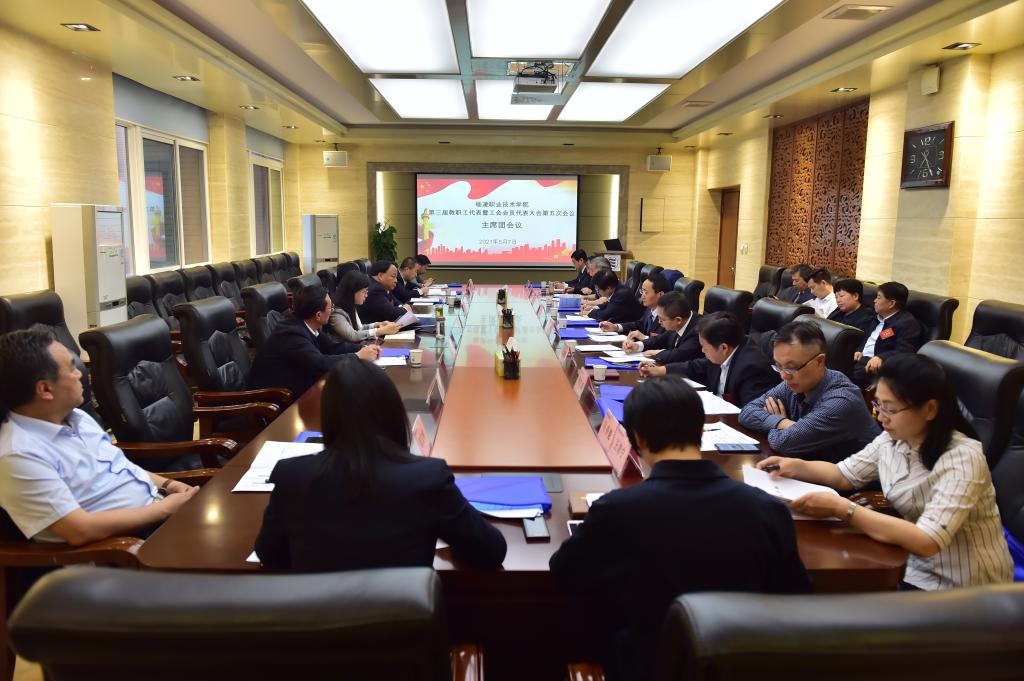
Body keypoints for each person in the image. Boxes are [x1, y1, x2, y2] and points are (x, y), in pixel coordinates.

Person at [550, 376, 810, 681]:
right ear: (700, 431)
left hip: (647, 667)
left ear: (638, 438)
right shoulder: (767, 509)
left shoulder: (618, 509)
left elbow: (565, 572)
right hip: (738, 667)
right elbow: (794, 597)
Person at [758, 353, 1012, 590]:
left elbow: (928, 540)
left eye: (890, 408)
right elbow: (843, 474)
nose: (881, 417)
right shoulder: (894, 438)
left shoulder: (963, 457)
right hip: (907, 564)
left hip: (963, 587)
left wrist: (844, 509)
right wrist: (795, 466)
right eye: (878, 405)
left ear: (930, 409)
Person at [255, 359, 507, 572]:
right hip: (405, 614)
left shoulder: (292, 476)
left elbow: (270, 554)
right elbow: (490, 551)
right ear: (393, 411)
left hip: (317, 615)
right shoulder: (428, 477)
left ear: (328, 418)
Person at [0, 329, 199, 545]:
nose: (80, 374)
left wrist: (170, 485)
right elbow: (80, 530)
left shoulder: (76, 417)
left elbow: (121, 467)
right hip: (125, 547)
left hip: (158, 515)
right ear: (45, 389)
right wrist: (165, 509)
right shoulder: (19, 454)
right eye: (71, 368)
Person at [739, 320, 880, 460]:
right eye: (779, 366)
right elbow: (747, 412)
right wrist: (783, 422)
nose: (783, 376)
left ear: (819, 361)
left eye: (791, 367)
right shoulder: (793, 383)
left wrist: (776, 426)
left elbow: (782, 442)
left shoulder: (841, 400)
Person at [249, 286, 379, 398]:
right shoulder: (291, 333)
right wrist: (357, 356)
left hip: (299, 383)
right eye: (331, 307)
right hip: (275, 396)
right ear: (318, 315)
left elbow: (331, 347)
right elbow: (319, 363)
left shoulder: (306, 324)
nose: (332, 310)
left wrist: (362, 347)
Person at [640, 312, 778, 407]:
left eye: (704, 347)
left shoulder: (751, 368)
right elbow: (695, 366)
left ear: (723, 348)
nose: (702, 351)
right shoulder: (725, 351)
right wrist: (659, 370)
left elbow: (750, 411)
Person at [852, 281, 922, 389]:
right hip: (861, 359)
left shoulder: (907, 323)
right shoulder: (877, 317)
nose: (874, 301)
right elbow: (868, 338)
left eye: (879, 297)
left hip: (877, 366)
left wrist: (881, 358)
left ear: (891, 303)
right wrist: (860, 349)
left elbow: (905, 351)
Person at [622, 292, 701, 366]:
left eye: (662, 319)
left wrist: (659, 353)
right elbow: (660, 339)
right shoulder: (677, 321)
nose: (659, 322)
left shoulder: (698, 330)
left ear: (678, 320)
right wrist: (638, 345)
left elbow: (679, 355)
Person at [326, 270, 402, 343]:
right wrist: (381, 331)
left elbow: (360, 328)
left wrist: (378, 324)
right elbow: (353, 335)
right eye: (364, 291)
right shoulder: (336, 313)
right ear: (352, 291)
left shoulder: (351, 306)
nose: (366, 295)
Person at [599, 273, 670, 339]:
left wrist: (644, 338)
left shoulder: (668, 316)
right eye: (642, 291)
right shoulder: (650, 309)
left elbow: (664, 342)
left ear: (660, 294)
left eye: (646, 292)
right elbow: (639, 324)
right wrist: (616, 327)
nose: (642, 296)